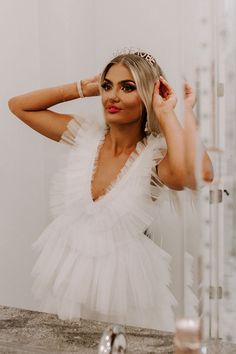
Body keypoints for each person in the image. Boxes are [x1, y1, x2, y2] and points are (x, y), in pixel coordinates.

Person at [8, 51, 213, 332]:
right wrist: (83, 88)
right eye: (108, 86)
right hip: (69, 278)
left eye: (127, 87)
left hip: (126, 289)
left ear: (147, 96)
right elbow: (19, 106)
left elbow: (199, 175)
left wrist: (171, 114)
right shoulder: (85, 134)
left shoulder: (153, 157)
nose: (111, 96)